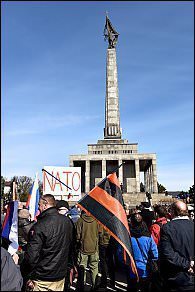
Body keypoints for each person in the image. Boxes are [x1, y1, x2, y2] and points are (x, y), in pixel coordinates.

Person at [20, 194, 73, 291]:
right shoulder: (67, 221)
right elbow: (72, 248)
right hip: (59, 276)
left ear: (45, 204)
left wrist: (27, 276)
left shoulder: (39, 226)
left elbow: (31, 257)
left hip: (43, 279)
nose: (38, 208)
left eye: (39, 205)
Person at [159, 200, 194, 292]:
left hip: (176, 278)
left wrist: (188, 265)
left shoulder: (167, 228)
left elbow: (168, 253)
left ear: (172, 212)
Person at [127, 213, 158, 292]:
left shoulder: (128, 237)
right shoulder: (148, 236)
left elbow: (121, 255)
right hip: (145, 270)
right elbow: (155, 254)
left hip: (132, 269)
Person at [75, 210, 101, 291]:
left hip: (83, 248)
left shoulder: (80, 220)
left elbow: (77, 236)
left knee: (82, 267)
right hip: (94, 248)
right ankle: (94, 285)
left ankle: (82, 285)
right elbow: (100, 233)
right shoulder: (97, 220)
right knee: (94, 267)